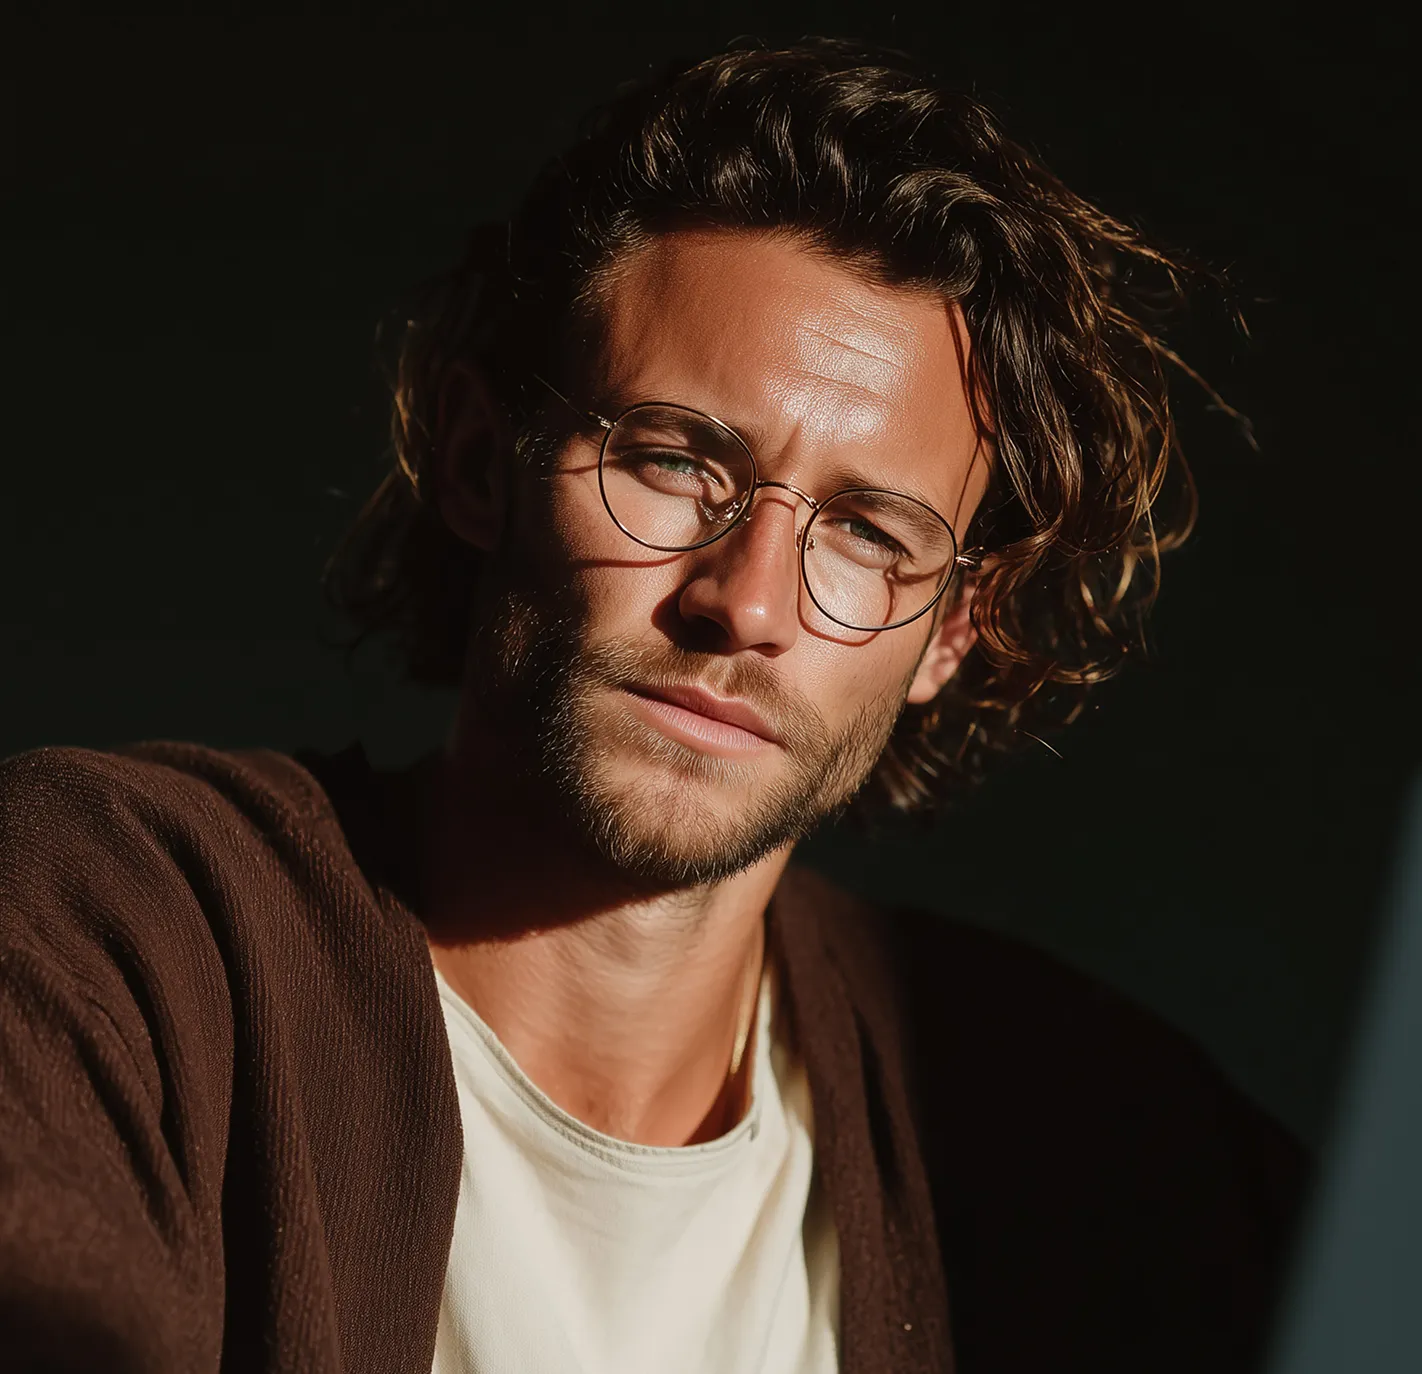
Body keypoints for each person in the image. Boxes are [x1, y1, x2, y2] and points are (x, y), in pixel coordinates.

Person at [0, 38, 1306, 1374]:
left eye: (864, 532)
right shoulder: (109, 926)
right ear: (474, 461)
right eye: (676, 460)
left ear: (947, 632)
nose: (746, 602)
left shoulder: (1086, 1139)